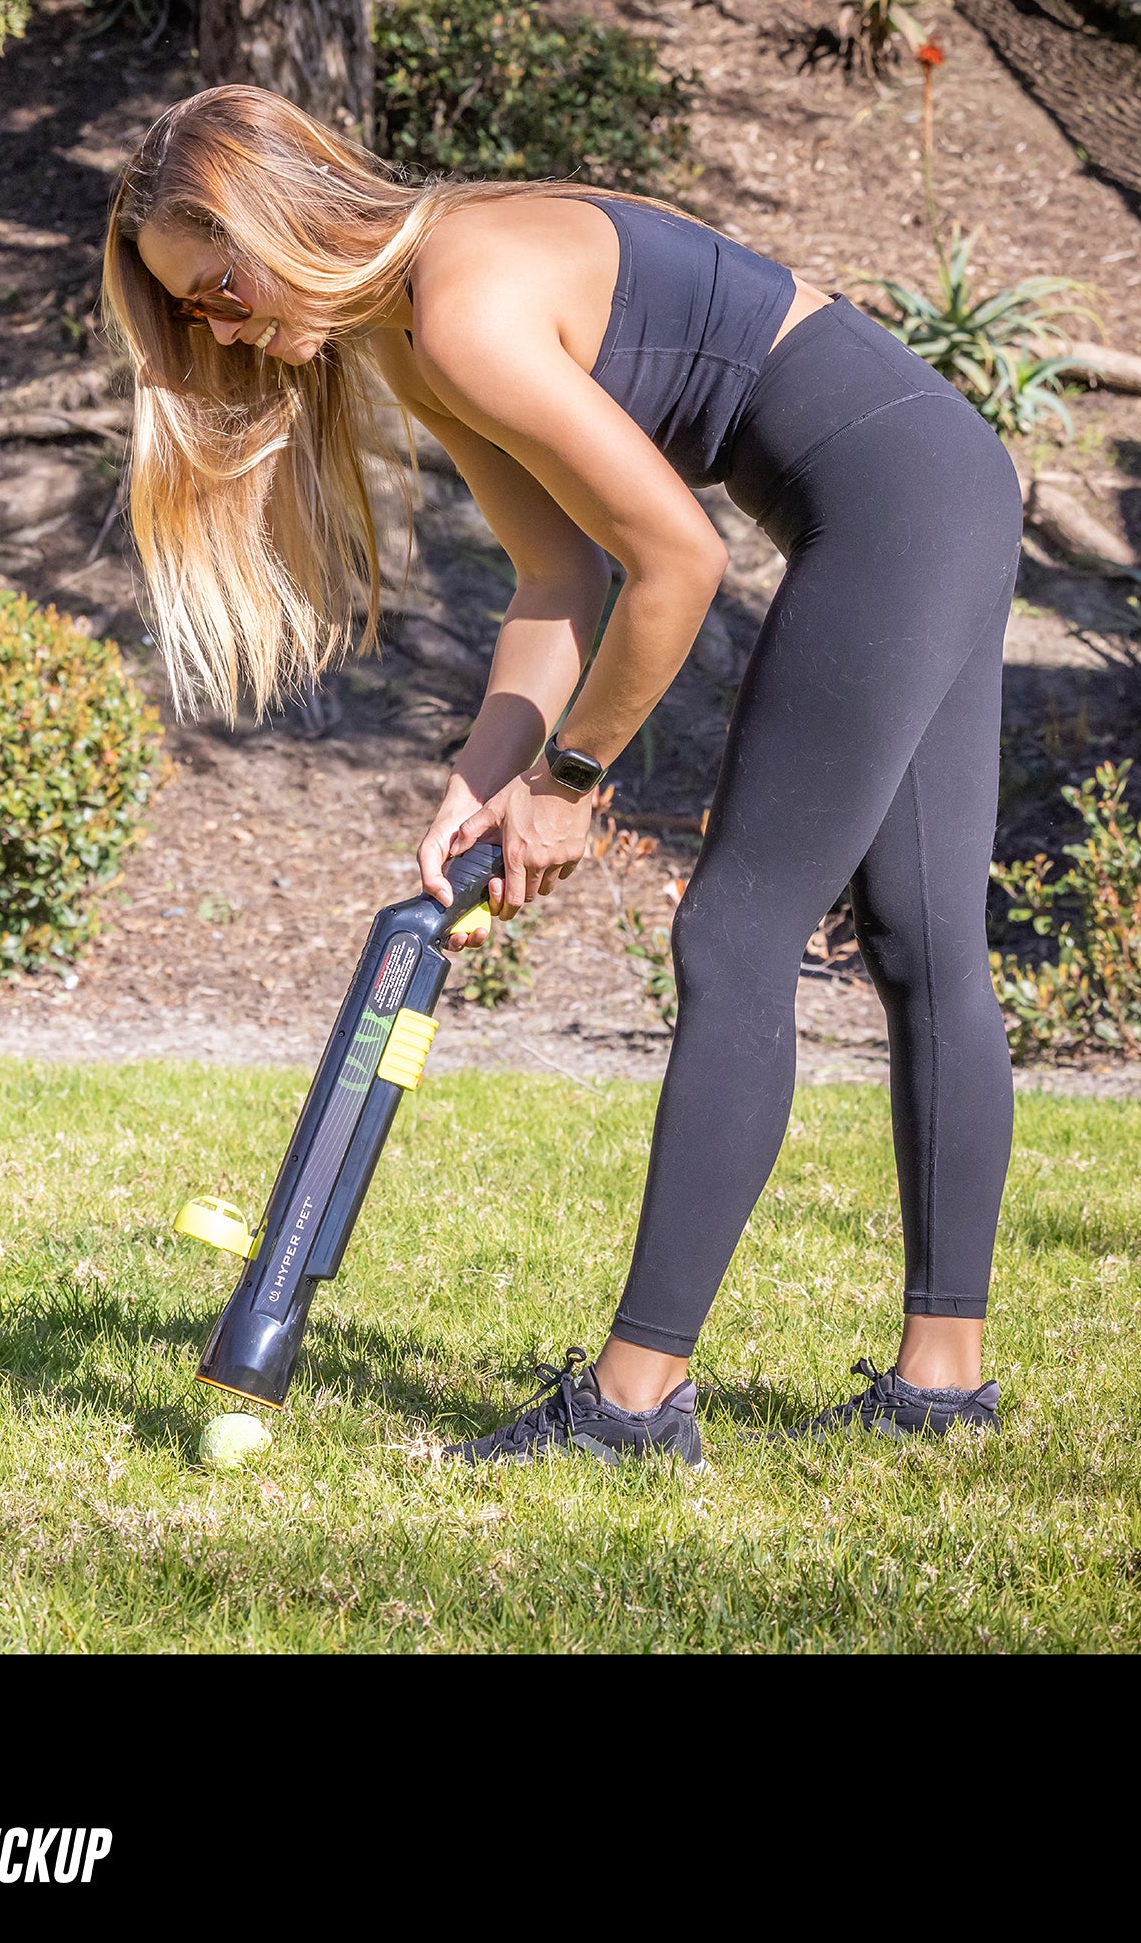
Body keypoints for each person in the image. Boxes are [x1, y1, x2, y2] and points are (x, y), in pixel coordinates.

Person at [101, 85, 1017, 1464]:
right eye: (192, 313)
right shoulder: (419, 313)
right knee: (919, 933)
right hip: (934, 477)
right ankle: (941, 1387)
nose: (218, 326)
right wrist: (485, 777)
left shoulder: (459, 306)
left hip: (896, 495)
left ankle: (634, 1406)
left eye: (216, 284)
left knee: (735, 931)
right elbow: (560, 571)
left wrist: (575, 780)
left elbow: (678, 564)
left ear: (279, 217)